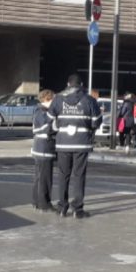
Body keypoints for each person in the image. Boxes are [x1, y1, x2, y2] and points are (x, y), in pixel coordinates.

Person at [48, 74, 102, 219]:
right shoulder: (89, 100)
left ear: (68, 84)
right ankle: (77, 210)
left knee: (63, 175)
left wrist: (58, 130)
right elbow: (97, 121)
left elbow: (50, 120)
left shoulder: (58, 99)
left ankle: (62, 208)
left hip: (63, 143)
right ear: (82, 84)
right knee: (79, 176)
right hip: (81, 143)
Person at [31, 89, 56, 212]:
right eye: (52, 99)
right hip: (44, 148)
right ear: (46, 99)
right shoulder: (42, 112)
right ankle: (44, 203)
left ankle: (36, 201)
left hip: (40, 148)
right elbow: (47, 128)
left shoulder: (39, 111)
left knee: (39, 177)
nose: (53, 102)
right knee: (45, 178)